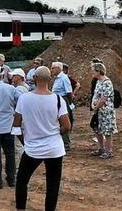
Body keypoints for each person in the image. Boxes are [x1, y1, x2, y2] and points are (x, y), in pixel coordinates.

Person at [13, 66, 71, 211]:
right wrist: (56, 134)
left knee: (22, 181)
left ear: (34, 78)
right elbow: (67, 126)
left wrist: (24, 141)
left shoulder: (24, 98)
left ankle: (21, 208)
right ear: (50, 79)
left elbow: (16, 125)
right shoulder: (58, 100)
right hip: (54, 148)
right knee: (52, 184)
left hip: (33, 148)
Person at [90, 61, 118, 159]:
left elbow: (103, 98)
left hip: (106, 111)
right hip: (98, 110)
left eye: (93, 70)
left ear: (99, 71)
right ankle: (101, 149)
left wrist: (95, 107)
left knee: (107, 130)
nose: (92, 72)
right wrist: (93, 105)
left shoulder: (107, 83)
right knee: (97, 128)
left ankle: (108, 151)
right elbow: (96, 95)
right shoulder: (98, 81)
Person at [50, 62, 73, 151]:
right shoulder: (57, 78)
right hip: (57, 101)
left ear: (59, 68)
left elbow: (69, 92)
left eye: (53, 68)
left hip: (63, 101)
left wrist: (69, 103)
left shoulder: (64, 78)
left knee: (64, 121)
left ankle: (66, 144)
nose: (51, 70)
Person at [10, 68, 29, 167]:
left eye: (14, 76)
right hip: (26, 119)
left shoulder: (18, 90)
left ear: (20, 78)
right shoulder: (26, 87)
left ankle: (19, 167)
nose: (12, 77)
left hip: (20, 120)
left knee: (18, 145)